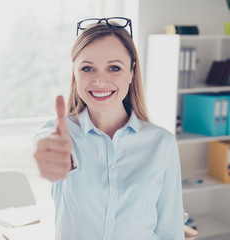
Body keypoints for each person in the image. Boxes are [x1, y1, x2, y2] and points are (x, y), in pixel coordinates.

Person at [33, 18, 184, 239]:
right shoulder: (61, 135)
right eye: (87, 68)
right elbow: (43, 144)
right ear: (75, 73)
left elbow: (171, 230)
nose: (100, 80)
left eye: (114, 68)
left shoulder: (163, 144)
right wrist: (49, 155)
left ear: (132, 71)